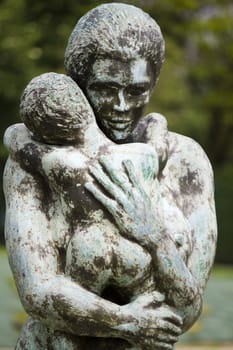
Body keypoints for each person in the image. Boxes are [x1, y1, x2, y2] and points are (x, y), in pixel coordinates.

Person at [3, 3, 217, 350]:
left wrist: (153, 235)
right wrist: (128, 322)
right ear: (79, 82)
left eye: (136, 90)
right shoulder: (31, 162)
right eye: (104, 88)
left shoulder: (185, 159)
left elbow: (186, 309)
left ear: (154, 82)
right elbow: (38, 290)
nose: (121, 105)